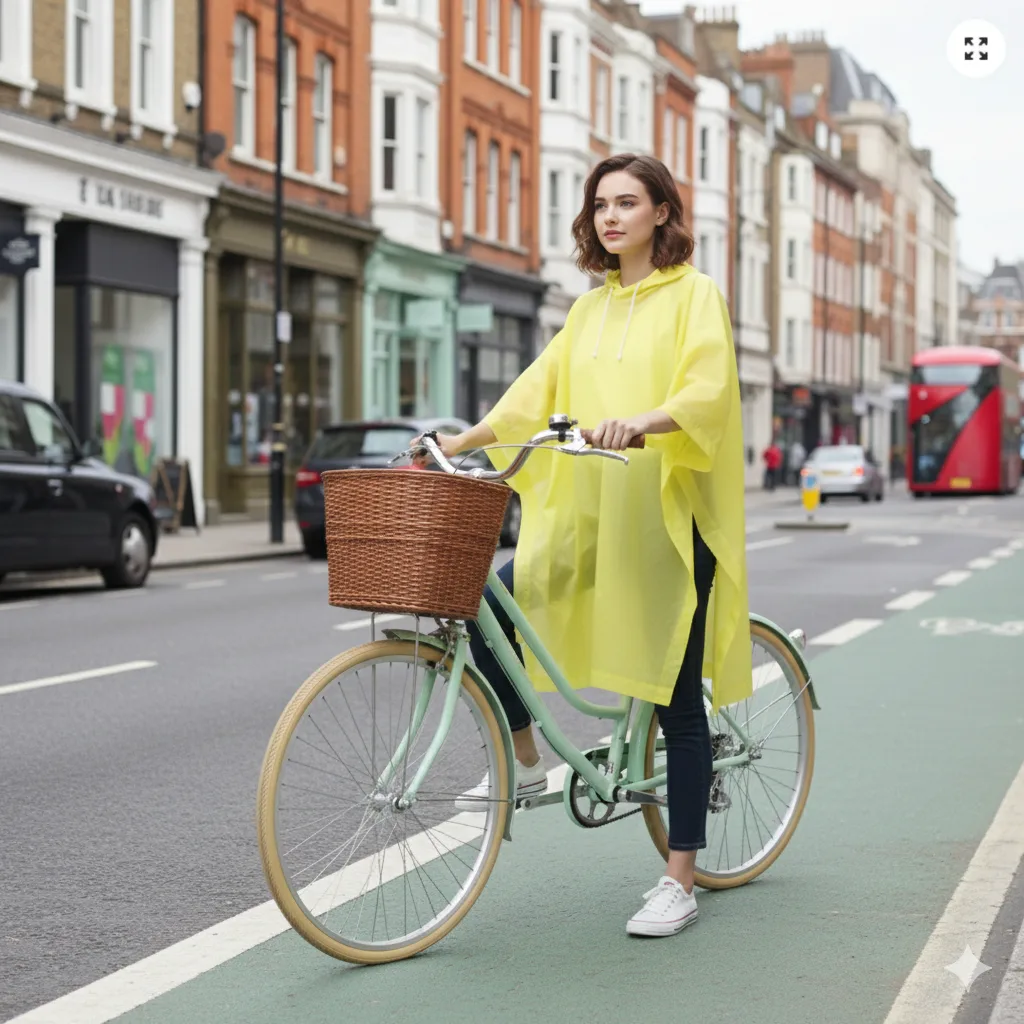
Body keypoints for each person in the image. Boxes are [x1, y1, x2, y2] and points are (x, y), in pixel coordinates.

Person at [413, 153, 751, 938]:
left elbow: (709, 388)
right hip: (596, 512)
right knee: (487, 598)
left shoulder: (695, 297)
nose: (610, 217)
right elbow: (535, 391)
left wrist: (645, 420)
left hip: (668, 518)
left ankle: (679, 880)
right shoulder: (589, 310)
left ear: (662, 213)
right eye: (601, 204)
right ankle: (526, 760)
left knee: (675, 699)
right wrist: (460, 438)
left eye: (628, 203)